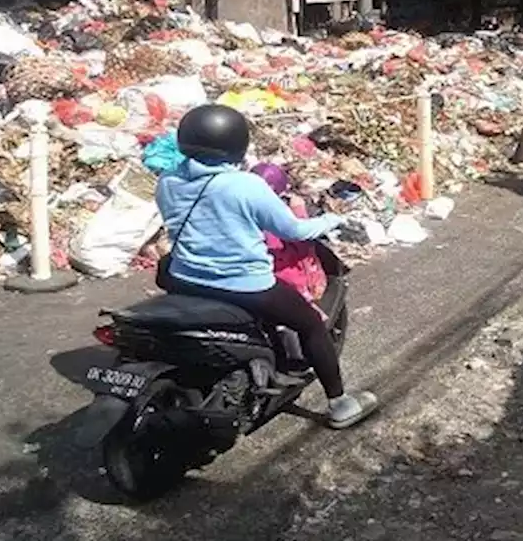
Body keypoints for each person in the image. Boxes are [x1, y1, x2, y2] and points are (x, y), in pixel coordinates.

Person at [155, 104, 379, 430]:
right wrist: (332, 219)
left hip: (184, 278)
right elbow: (294, 231)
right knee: (311, 325)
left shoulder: (168, 181)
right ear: (236, 144)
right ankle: (340, 404)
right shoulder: (246, 185)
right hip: (244, 286)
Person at [249, 162, 328, 320]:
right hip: (288, 280)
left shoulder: (242, 210)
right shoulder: (278, 216)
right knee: (312, 323)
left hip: (252, 278)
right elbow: (300, 239)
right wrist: (299, 211)